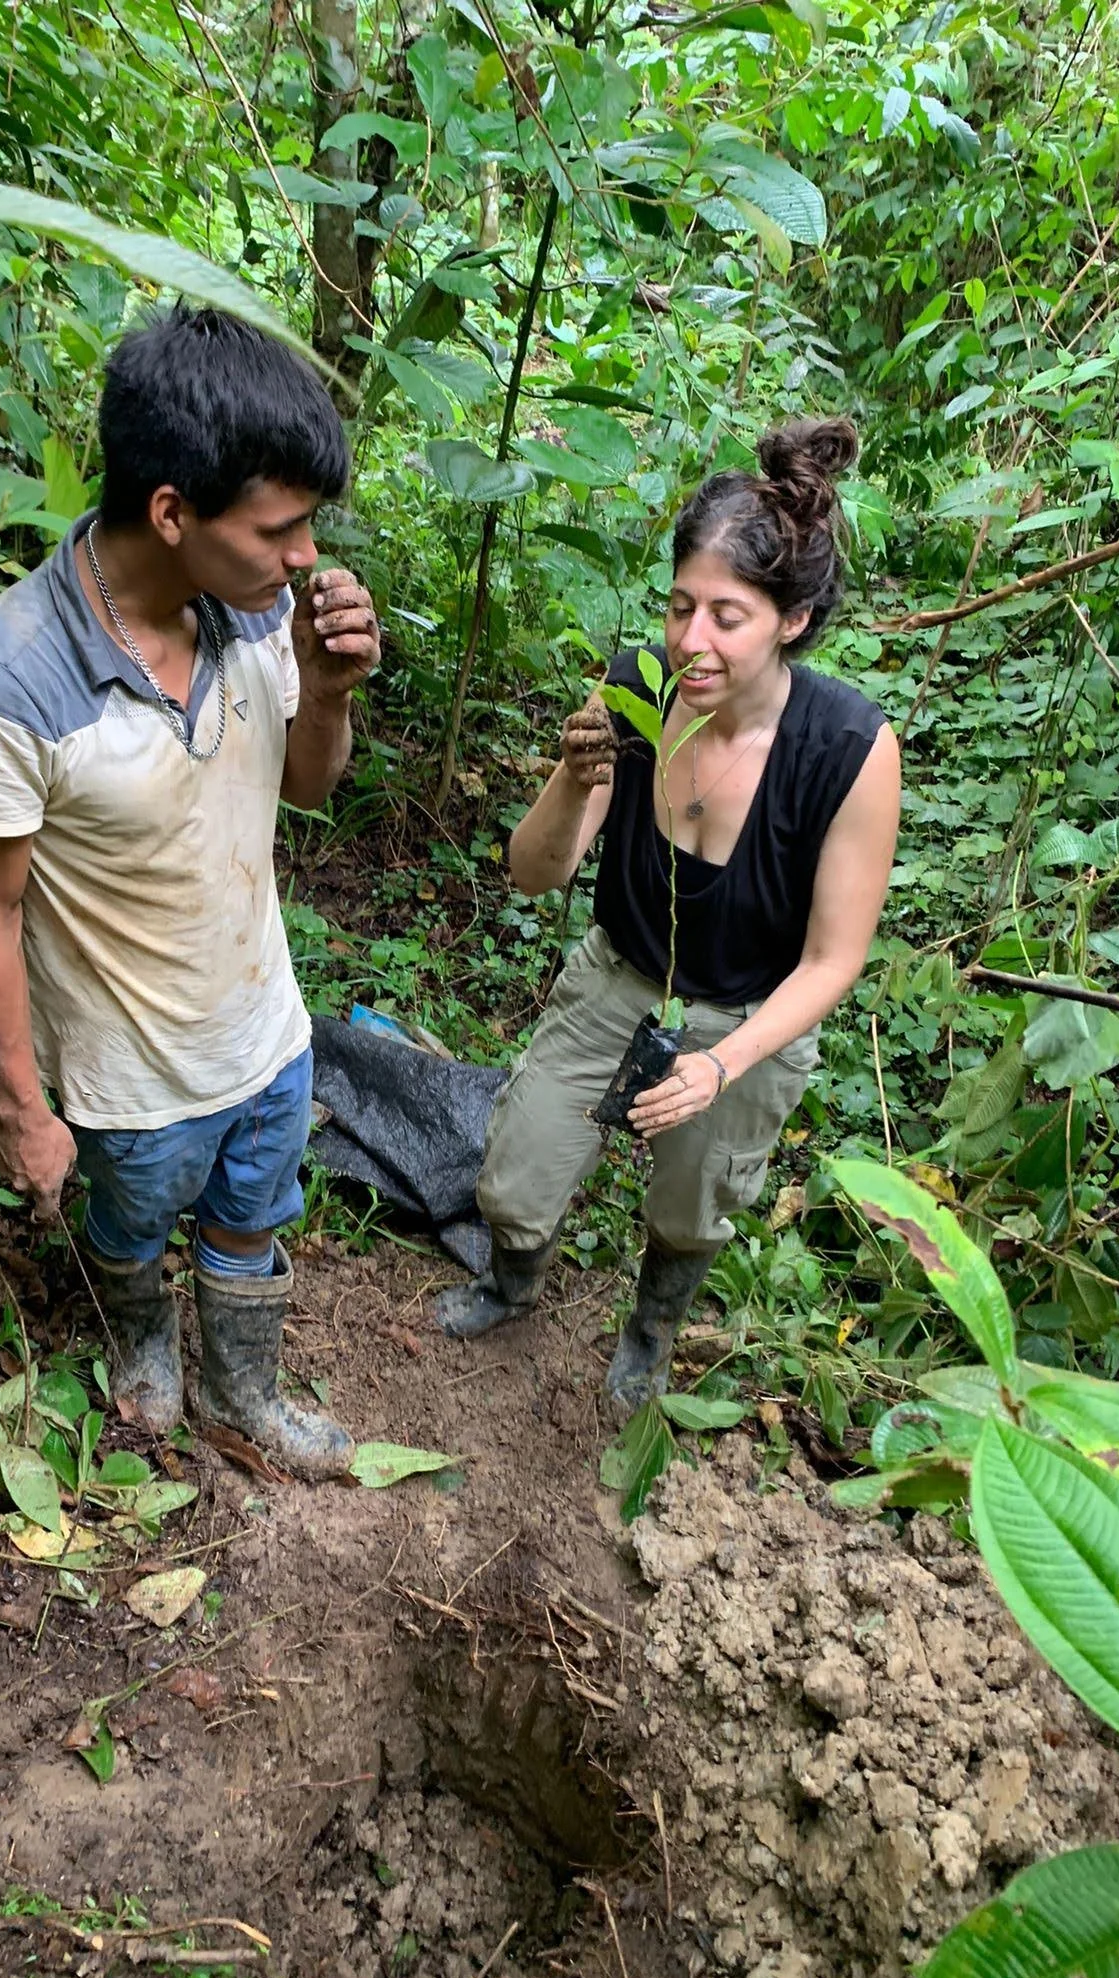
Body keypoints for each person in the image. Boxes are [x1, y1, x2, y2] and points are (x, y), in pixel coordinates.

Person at [0, 305, 381, 1478]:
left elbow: (313, 789)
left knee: (250, 1214)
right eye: (279, 528)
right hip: (127, 1077)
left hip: (265, 1026)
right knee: (130, 1225)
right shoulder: (6, 681)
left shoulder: (264, 611)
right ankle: (141, 1333)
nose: (305, 557)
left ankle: (244, 1391)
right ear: (172, 511)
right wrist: (23, 1108)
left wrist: (324, 691)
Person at [437, 418, 900, 1415]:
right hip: (620, 974)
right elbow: (530, 873)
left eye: (727, 615)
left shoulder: (847, 748)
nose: (691, 639)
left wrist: (717, 1064)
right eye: (681, 604)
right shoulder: (639, 686)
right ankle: (512, 1281)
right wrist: (574, 776)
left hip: (748, 1014)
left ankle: (651, 1325)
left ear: (793, 619)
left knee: (695, 1202)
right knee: (515, 1179)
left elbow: (833, 960)